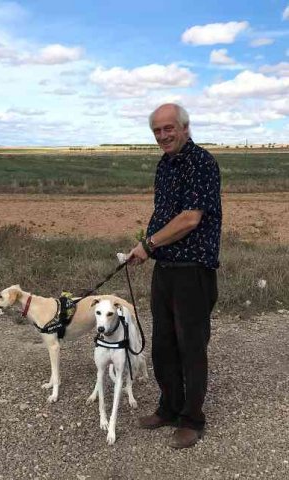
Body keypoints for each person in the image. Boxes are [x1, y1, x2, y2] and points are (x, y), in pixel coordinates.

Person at [128, 103, 222, 449]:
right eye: (157, 131)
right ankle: (168, 407)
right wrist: (146, 247)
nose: (163, 136)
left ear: (185, 127)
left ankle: (192, 419)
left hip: (193, 270)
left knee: (190, 346)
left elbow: (189, 219)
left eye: (169, 128)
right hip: (165, 267)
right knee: (163, 345)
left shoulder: (202, 163)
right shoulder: (165, 164)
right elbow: (164, 213)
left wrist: (149, 245)